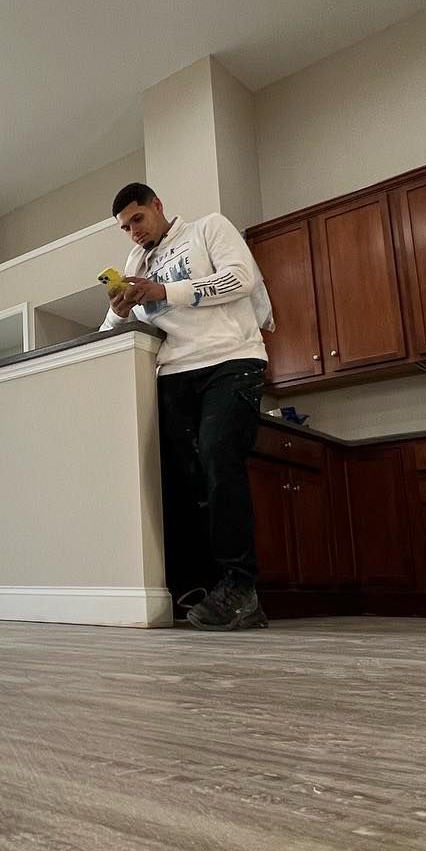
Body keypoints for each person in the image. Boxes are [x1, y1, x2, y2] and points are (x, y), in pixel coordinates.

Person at [100, 182, 272, 630]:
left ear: (158, 205)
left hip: (230, 360)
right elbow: (109, 330)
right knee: (179, 481)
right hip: (173, 370)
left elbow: (241, 279)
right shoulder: (136, 263)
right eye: (125, 227)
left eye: (138, 219)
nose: (133, 232)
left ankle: (240, 586)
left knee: (219, 459)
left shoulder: (207, 229)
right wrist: (118, 310)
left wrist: (163, 292)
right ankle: (197, 585)